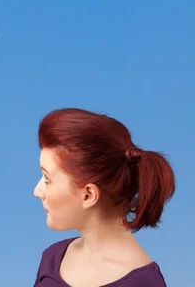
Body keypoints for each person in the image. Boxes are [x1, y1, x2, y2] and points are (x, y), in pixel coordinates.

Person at [33, 108, 174, 287]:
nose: (37, 191)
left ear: (88, 195)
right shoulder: (52, 259)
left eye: (47, 179)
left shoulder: (145, 283)